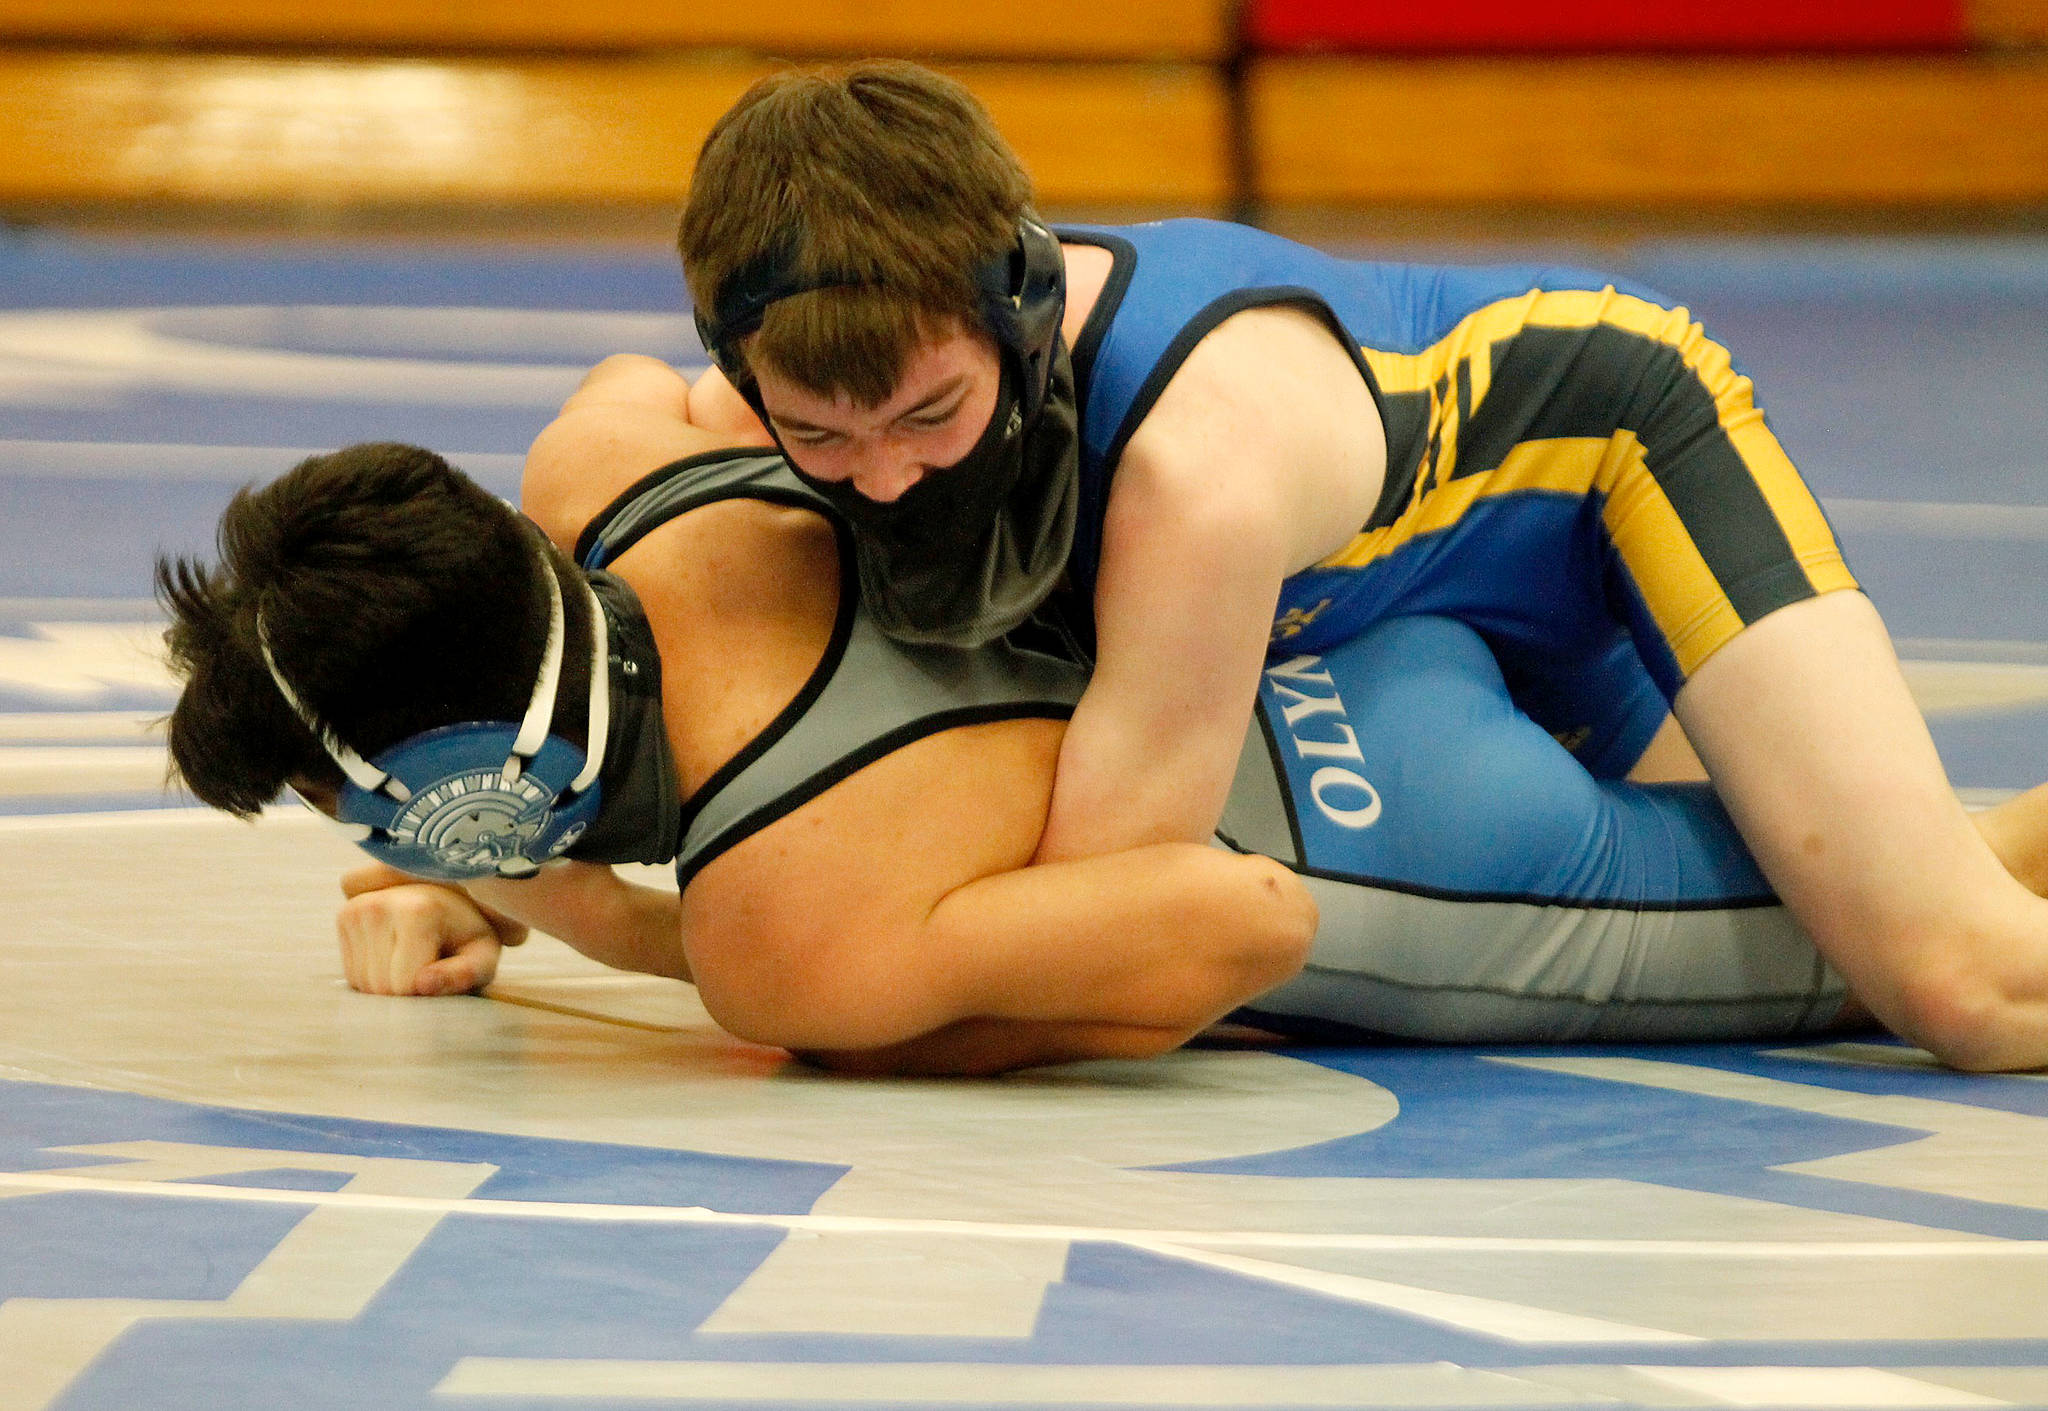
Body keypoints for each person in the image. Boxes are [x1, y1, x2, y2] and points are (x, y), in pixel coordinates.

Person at [672, 60, 2048, 1072]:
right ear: (747, 380)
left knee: (1960, 978)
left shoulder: (1194, 473)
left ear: (1022, 320)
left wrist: (790, 983)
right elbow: (555, 534)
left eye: (930, 416)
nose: (888, 477)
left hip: (1605, 471)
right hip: (1379, 611)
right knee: (1825, 920)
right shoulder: (798, 371)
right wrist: (471, 856)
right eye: (819, 439)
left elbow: (1114, 911)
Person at [158, 364, 2048, 1073]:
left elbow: (1243, 929)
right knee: (1939, 858)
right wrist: (521, 879)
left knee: (1978, 953)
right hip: (1367, 575)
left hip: (1400, 835)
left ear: (471, 788)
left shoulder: (777, 935)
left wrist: (879, 1006)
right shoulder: (615, 457)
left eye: (376, 815)